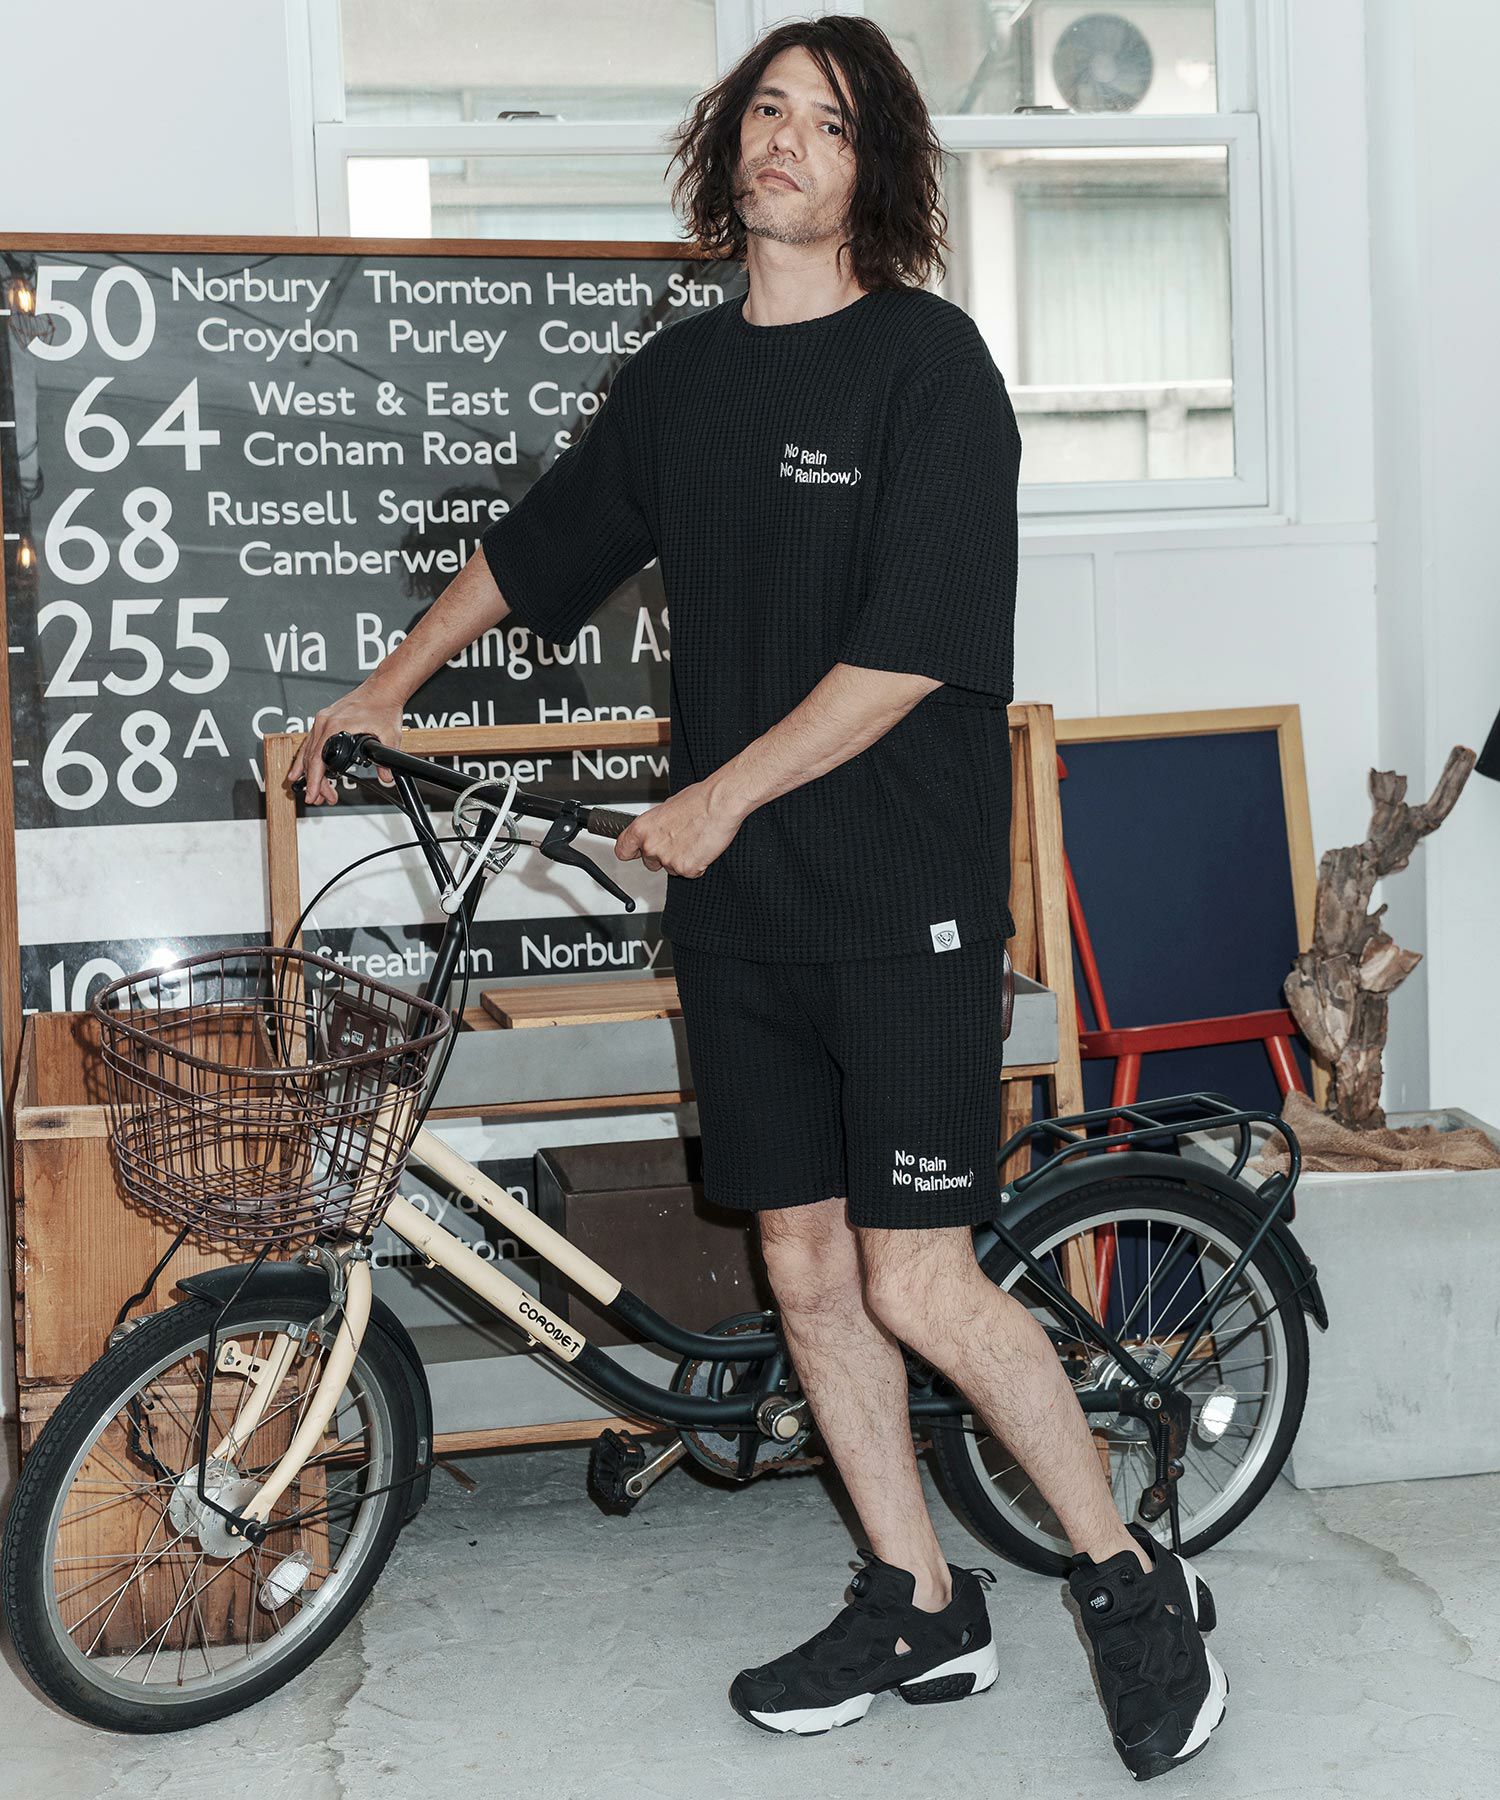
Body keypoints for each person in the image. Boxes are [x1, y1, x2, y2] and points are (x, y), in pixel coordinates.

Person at [289, 14, 1226, 1782]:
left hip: (900, 899)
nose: (788, 140)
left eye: (830, 122)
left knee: (916, 1277)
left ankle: (1125, 1576)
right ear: (731, 143)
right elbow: (535, 552)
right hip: (741, 915)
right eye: (768, 110)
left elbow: (913, 651)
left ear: (879, 170)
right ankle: (918, 1599)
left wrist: (717, 796)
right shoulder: (682, 382)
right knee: (800, 1262)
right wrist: (383, 694)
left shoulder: (928, 368)